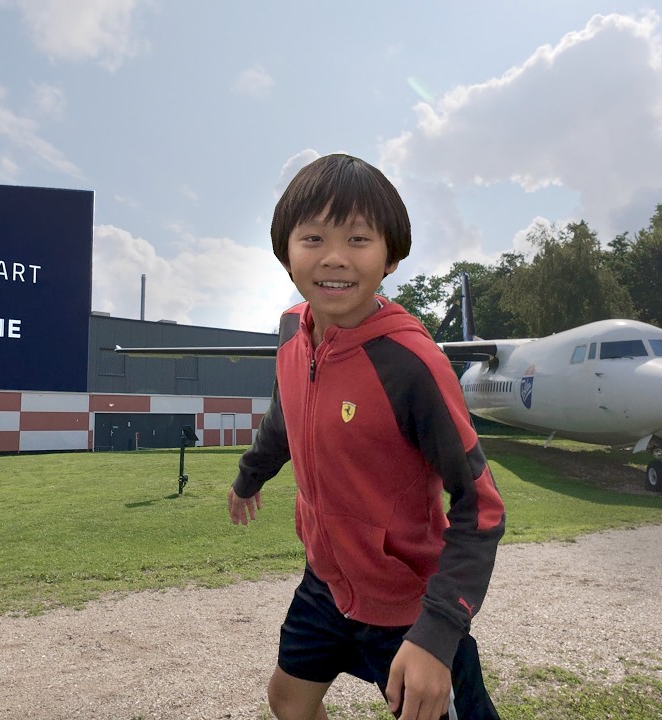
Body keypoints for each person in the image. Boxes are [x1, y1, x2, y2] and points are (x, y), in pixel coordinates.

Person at [229, 153, 506, 720]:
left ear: (391, 258)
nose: (334, 257)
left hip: (408, 603)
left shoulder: (411, 362)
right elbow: (286, 418)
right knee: (288, 699)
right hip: (326, 583)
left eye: (358, 239)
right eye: (313, 238)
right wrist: (249, 477)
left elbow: (480, 505)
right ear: (286, 253)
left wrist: (438, 631)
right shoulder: (290, 331)